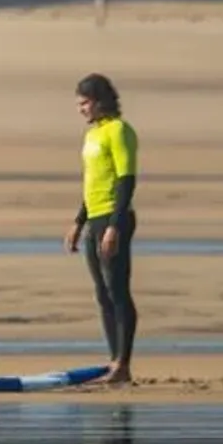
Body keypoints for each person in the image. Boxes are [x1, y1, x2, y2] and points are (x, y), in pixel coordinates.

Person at [72, 71, 139, 385]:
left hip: (115, 218)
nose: (80, 108)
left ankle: (122, 364)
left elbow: (126, 179)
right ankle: (114, 361)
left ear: (100, 102)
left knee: (117, 291)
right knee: (102, 294)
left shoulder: (119, 131)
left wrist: (114, 226)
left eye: (85, 102)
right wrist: (78, 222)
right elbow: (92, 183)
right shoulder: (92, 135)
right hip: (95, 217)